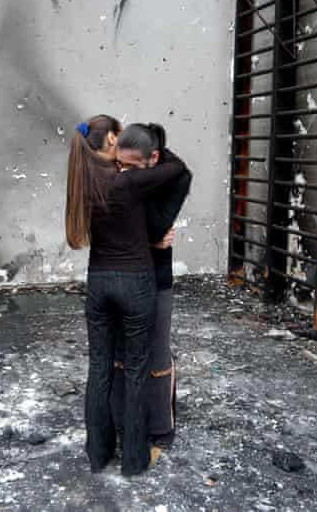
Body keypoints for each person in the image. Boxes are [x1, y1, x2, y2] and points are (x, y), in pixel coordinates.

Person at [65, 115, 189, 476]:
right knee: (136, 372)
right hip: (135, 284)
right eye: (118, 139)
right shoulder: (129, 182)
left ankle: (98, 454)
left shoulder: (85, 183)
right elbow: (177, 168)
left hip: (99, 284)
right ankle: (134, 460)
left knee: (99, 369)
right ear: (110, 144)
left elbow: (124, 228)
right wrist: (146, 148)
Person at [109, 124, 192, 451]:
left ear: (153, 158)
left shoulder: (175, 178)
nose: (124, 174)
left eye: (131, 167)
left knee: (155, 352)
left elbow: (158, 225)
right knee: (119, 352)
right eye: (120, 166)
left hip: (154, 279)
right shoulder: (116, 171)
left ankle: (160, 428)